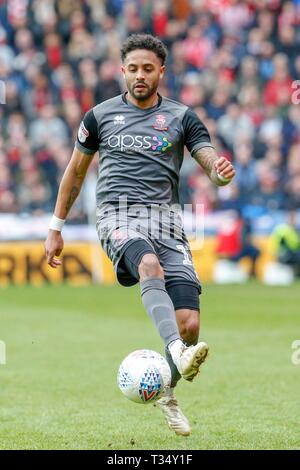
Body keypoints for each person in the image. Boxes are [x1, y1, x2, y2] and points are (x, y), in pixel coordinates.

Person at [45, 34, 235, 436]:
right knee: (148, 265)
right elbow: (75, 174)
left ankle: (168, 392)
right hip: (117, 215)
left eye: (148, 68)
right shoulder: (99, 116)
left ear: (161, 71)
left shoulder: (183, 117)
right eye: (133, 68)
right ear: (122, 71)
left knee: (189, 323)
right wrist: (56, 227)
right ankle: (178, 354)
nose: (140, 75)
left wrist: (218, 172)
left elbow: (208, 160)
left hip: (168, 222)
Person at [271, 210, 300, 276]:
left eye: (294, 218)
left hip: (294, 253)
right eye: (291, 218)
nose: (293, 220)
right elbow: (278, 245)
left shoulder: (296, 229)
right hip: (285, 254)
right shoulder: (282, 230)